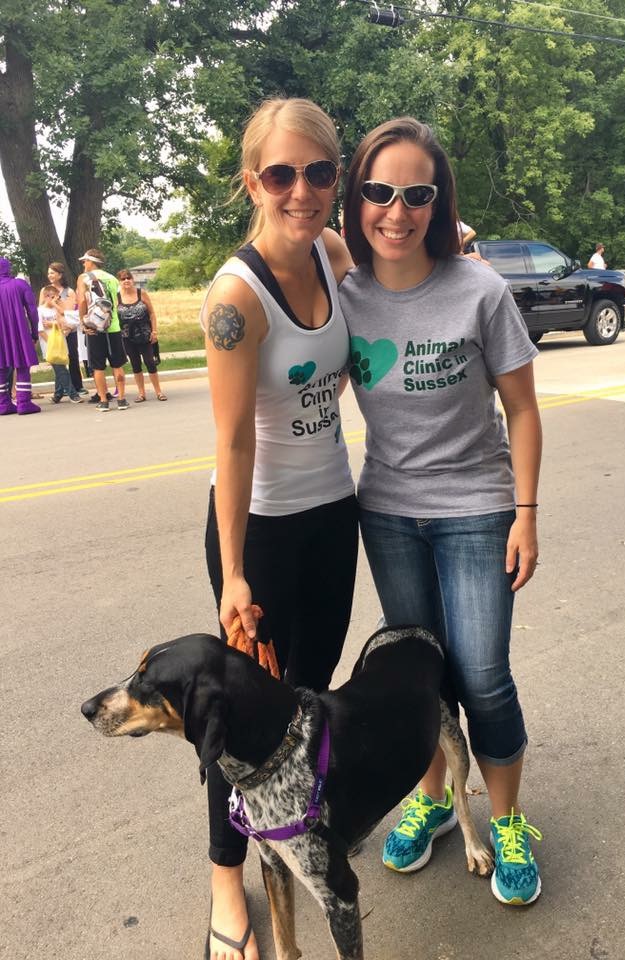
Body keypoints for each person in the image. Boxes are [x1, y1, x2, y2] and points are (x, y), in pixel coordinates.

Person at [339, 117, 543, 906]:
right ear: (356, 198)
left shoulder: (480, 290)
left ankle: (508, 816)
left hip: (478, 510)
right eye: (379, 191)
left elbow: (522, 410)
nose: (397, 210)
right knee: (415, 679)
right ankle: (431, 797)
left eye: (417, 193)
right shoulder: (345, 293)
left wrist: (526, 513)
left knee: (483, 676)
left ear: (439, 200)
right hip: (387, 514)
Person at [201, 97, 358, 960]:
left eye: (319, 172)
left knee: (307, 694)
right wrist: (233, 577)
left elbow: (326, 376)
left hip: (333, 514)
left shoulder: (333, 254)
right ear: (253, 180)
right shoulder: (236, 298)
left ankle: (294, 832)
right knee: (242, 722)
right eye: (281, 174)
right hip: (256, 531)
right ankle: (228, 879)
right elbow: (229, 440)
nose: (302, 190)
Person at [76, 249, 128, 411]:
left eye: (85, 261)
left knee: (98, 366)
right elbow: (117, 303)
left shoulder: (83, 278)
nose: (84, 264)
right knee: (117, 364)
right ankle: (121, 399)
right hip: (113, 326)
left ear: (91, 261)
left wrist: (84, 323)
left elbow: (82, 302)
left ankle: (104, 400)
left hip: (94, 327)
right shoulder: (112, 278)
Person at [116, 270, 167, 401]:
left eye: (128, 278)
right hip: (127, 336)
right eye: (123, 279)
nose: (126, 280)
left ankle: (158, 392)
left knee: (150, 362)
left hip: (144, 334)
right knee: (135, 364)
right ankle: (141, 393)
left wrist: (154, 331)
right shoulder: (117, 297)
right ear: (120, 282)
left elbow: (152, 313)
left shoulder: (141, 293)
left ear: (133, 279)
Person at [0, 256, 41, 416]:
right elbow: (32, 310)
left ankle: (3, 404)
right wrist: (34, 332)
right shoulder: (19, 284)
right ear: (8, 268)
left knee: (1, 366)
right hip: (18, 329)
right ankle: (24, 402)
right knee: (22, 363)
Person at [46, 262, 86, 395]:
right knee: (58, 359)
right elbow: (42, 308)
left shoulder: (69, 292)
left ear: (60, 274)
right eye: (49, 273)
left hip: (69, 328)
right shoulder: (46, 290)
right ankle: (62, 388)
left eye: (52, 272)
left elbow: (68, 312)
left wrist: (56, 304)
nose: (49, 275)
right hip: (55, 330)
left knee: (72, 357)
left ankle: (77, 385)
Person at [38, 285, 83, 402]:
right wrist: (50, 342)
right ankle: (73, 394)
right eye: (53, 297)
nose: (55, 300)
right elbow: (40, 329)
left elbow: (64, 323)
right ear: (46, 297)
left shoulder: (56, 309)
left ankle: (57, 395)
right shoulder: (40, 310)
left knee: (60, 367)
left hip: (61, 342)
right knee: (61, 369)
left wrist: (53, 323)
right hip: (49, 343)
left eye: (57, 298)